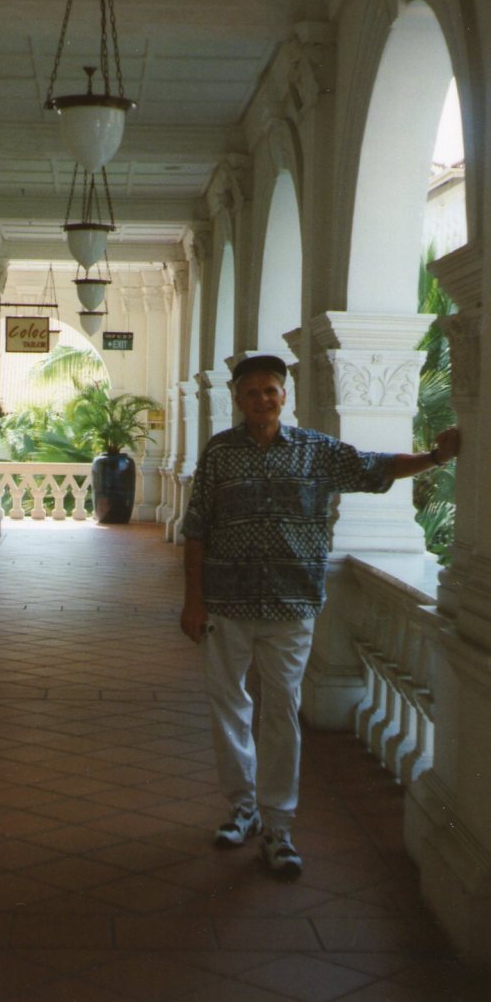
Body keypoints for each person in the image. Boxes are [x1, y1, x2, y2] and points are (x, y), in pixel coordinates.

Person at [180, 353, 460, 879]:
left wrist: (434, 457)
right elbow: (196, 529)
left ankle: (278, 826)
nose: (262, 399)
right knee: (228, 704)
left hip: (292, 601)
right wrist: (192, 600)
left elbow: (376, 467)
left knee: (282, 707)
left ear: (284, 396)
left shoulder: (317, 451)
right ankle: (241, 808)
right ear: (238, 400)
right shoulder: (220, 453)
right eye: (251, 392)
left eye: (271, 390)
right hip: (226, 600)